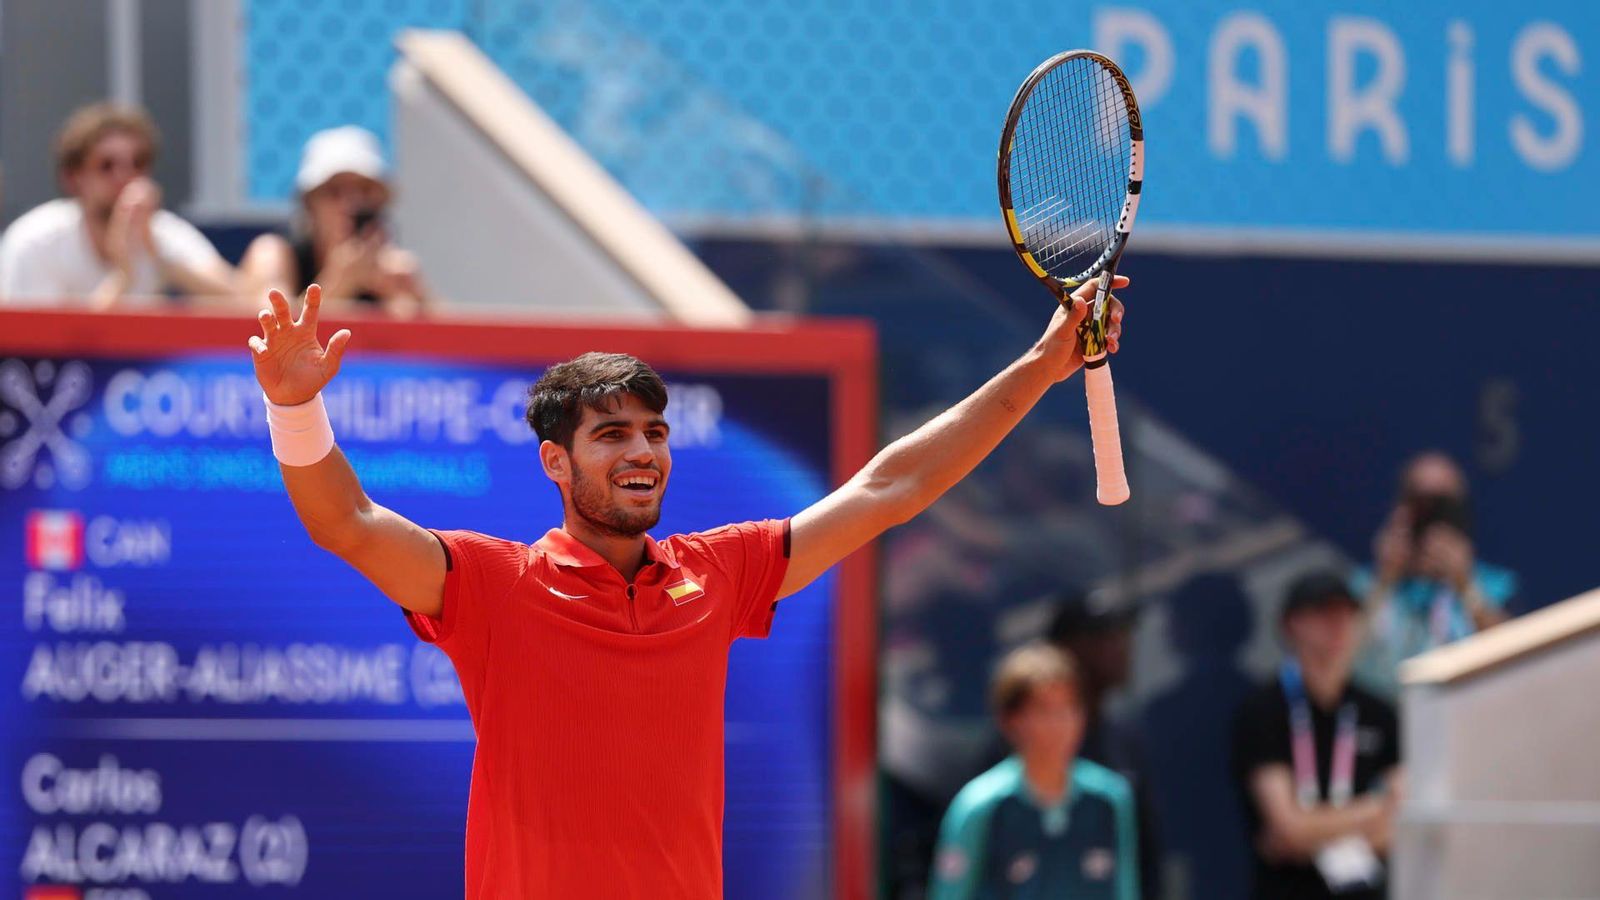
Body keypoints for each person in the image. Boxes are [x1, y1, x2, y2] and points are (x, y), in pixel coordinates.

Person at [246, 276, 1127, 898]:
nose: (641, 452)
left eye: (655, 433)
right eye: (612, 434)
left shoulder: (720, 572)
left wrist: (1043, 367)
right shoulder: (492, 585)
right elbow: (347, 524)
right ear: (556, 461)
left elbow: (890, 488)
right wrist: (295, 407)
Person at [1232, 571, 1402, 900]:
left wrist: (1308, 832)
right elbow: (1286, 828)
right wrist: (1372, 810)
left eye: (1346, 614)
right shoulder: (1264, 711)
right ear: (1292, 624)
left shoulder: (1377, 712)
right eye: (1324, 613)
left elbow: (1403, 821)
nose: (1337, 625)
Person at [931, 643, 1138, 900]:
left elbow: (1125, 890)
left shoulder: (1110, 799)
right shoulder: (979, 806)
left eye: (1069, 708)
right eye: (1045, 711)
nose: (1060, 725)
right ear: (1011, 721)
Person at [0, 102, 234, 307]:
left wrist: (159, 257)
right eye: (107, 165)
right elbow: (45, 346)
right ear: (73, 177)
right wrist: (122, 275)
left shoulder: (160, 231)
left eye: (138, 162)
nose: (125, 175)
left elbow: (240, 302)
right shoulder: (35, 241)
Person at [1355, 451, 1515, 696]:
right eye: (1420, 502)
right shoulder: (1365, 584)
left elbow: (1515, 658)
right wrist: (1384, 579)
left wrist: (1465, 585)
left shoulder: (1495, 585)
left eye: (1442, 505)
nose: (1430, 517)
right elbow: (1339, 663)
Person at [1045, 588, 1163, 900]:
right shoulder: (1025, 743)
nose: (1122, 648)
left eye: (1122, 635)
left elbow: (1145, 852)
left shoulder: (1125, 737)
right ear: (1067, 650)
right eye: (1104, 638)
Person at [239, 126, 430, 317]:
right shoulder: (272, 254)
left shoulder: (394, 271)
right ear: (309, 202)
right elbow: (267, 330)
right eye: (334, 191)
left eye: (365, 190)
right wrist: (339, 283)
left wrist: (418, 299)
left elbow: (443, 342)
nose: (352, 203)